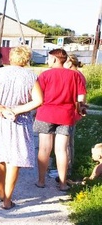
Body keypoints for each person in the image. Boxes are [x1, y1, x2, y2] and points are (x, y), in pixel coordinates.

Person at [0, 46, 43, 209]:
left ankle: (0, 191)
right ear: (27, 59)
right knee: (15, 158)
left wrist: (1, 109)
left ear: (10, 57)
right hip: (20, 119)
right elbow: (38, 100)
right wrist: (16, 110)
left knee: (0, 155)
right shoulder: (31, 76)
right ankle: (7, 200)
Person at [34, 48, 87, 191]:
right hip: (66, 115)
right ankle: (63, 184)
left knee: (44, 148)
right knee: (61, 150)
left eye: (49, 58)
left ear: (55, 59)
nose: (47, 60)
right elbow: (81, 97)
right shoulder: (74, 75)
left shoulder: (45, 75)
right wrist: (81, 109)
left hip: (45, 114)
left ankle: (41, 181)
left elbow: (38, 96)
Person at [64, 53, 88, 176]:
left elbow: (80, 97)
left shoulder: (75, 75)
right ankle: (66, 167)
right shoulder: (78, 74)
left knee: (67, 142)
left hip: (72, 111)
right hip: (75, 111)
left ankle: (67, 169)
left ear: (69, 63)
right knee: (68, 141)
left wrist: (79, 109)